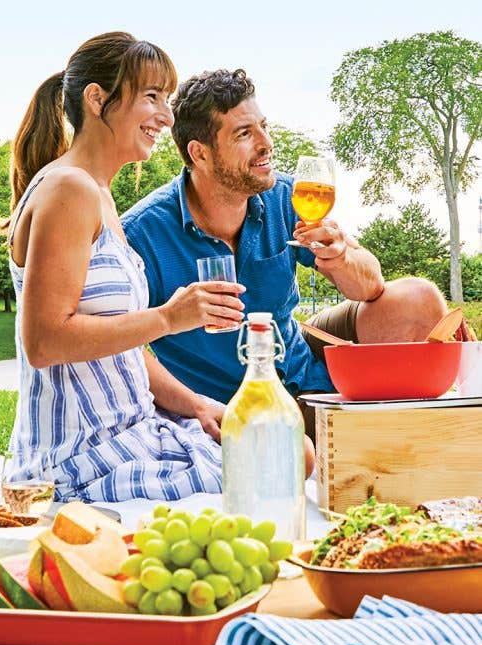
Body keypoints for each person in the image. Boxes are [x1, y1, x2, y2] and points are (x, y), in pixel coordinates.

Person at [122, 69, 448, 440]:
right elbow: (119, 348)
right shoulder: (141, 234)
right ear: (200, 154)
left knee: (418, 301)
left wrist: (341, 258)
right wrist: (193, 404)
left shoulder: (288, 196)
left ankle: (360, 406)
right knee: (309, 449)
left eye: (263, 126)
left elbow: (370, 287)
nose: (266, 143)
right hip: (231, 407)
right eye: (244, 134)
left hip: (299, 365)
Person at [4, 33, 258, 503]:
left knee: (289, 452)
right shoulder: (69, 190)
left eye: (167, 99)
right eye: (152, 97)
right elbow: (43, 341)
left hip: (131, 433)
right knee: (272, 471)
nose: (167, 115)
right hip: (80, 459)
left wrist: (196, 404)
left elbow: (121, 345)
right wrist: (168, 317)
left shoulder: (97, 195)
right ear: (97, 100)